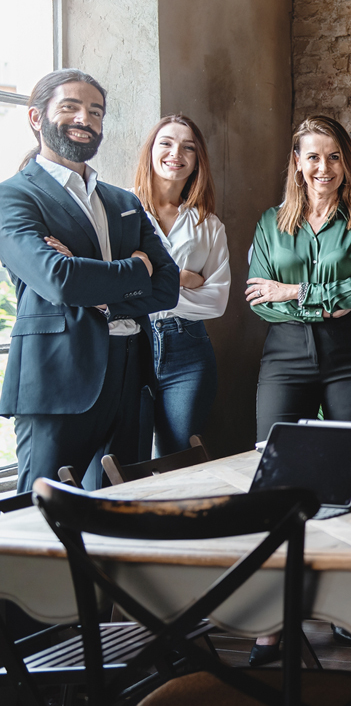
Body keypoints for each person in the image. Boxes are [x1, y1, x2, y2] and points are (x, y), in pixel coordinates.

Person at [246, 114, 351, 666]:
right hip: (285, 355)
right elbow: (260, 299)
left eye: (332, 157)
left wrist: (295, 288)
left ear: (344, 164)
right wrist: (321, 295)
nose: (323, 167)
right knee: (273, 474)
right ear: (297, 164)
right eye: (312, 157)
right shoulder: (269, 223)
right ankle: (271, 621)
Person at [0, 69, 179, 493]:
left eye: (95, 112)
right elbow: (59, 279)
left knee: (122, 505)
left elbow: (168, 286)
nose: (85, 119)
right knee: (42, 512)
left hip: (130, 377)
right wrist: (137, 269)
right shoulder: (14, 196)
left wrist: (100, 294)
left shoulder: (124, 202)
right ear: (36, 118)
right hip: (57, 380)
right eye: (70, 107)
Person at [133, 114, 231, 456]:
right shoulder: (122, 211)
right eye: (167, 143)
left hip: (188, 349)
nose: (176, 153)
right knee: (130, 455)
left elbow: (216, 301)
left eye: (188, 147)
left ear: (197, 160)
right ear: (151, 151)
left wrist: (150, 285)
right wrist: (184, 279)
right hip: (132, 343)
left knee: (178, 457)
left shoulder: (209, 225)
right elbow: (114, 285)